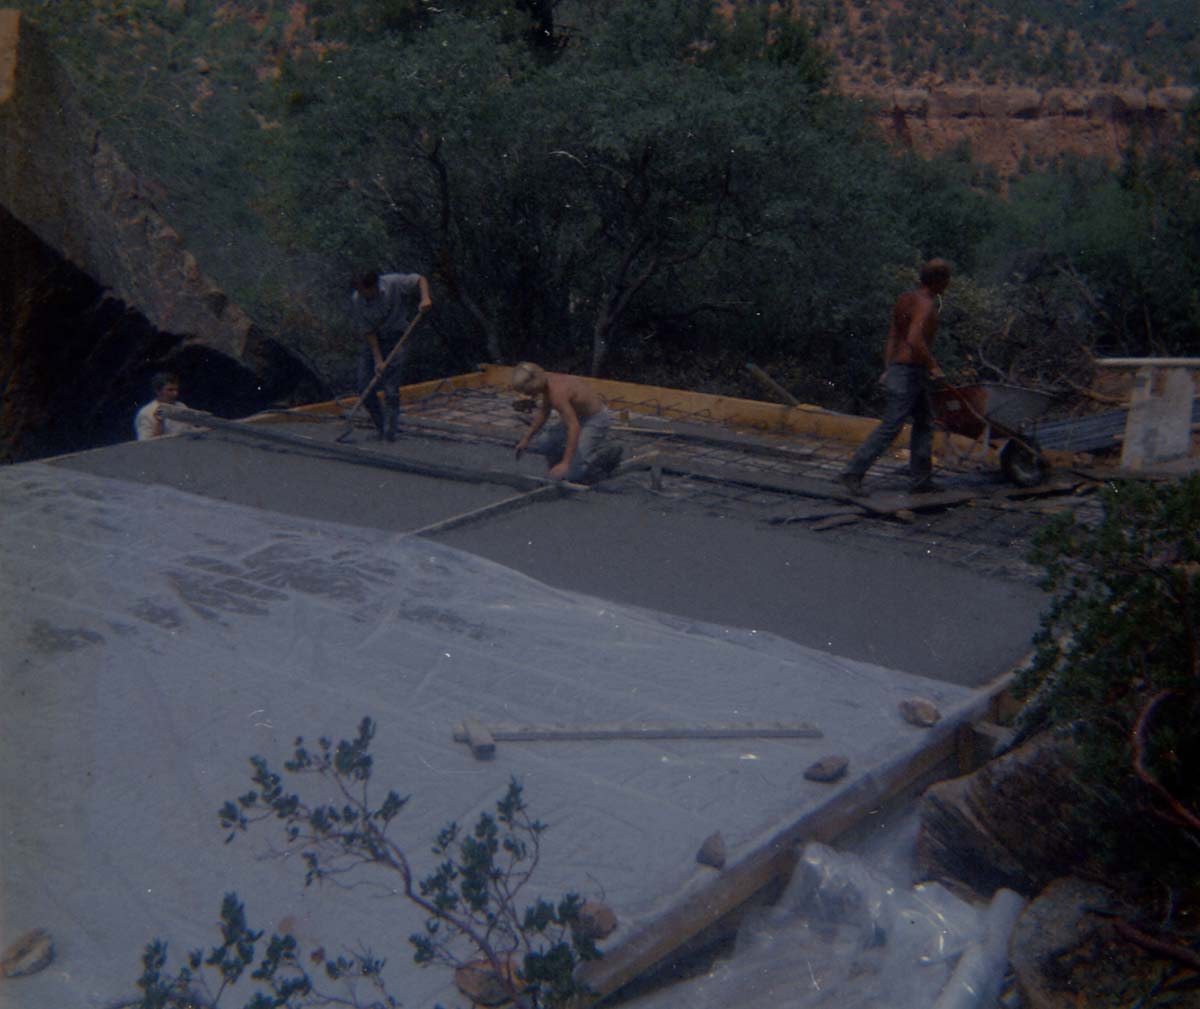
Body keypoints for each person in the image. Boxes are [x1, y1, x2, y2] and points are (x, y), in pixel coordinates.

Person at [840, 259, 952, 496]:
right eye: (946, 279)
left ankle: (921, 480)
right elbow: (914, 339)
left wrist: (888, 367)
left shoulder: (905, 299)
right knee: (892, 425)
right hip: (911, 371)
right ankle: (853, 472)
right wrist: (934, 367)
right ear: (938, 280)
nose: (948, 284)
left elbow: (893, 335)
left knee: (924, 423)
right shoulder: (926, 304)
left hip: (903, 370)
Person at [351, 269, 433, 441]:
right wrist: (378, 359)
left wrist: (425, 298)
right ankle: (380, 426)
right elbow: (368, 331)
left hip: (396, 337)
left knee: (390, 388)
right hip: (374, 341)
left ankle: (390, 432)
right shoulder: (358, 299)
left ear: (373, 286)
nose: (360, 293)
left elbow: (419, 279)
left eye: (362, 290)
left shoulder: (393, 283)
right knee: (364, 385)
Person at [511, 362, 621, 483]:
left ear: (533, 383)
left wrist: (566, 463)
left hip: (595, 419)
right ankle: (559, 469)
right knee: (544, 442)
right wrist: (526, 439)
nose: (528, 395)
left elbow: (573, 427)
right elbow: (544, 413)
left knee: (573, 475)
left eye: (527, 391)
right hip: (579, 416)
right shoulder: (547, 382)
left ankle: (605, 453)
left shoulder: (557, 393)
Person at [134, 372, 196, 440]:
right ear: (158, 391)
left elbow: (192, 430)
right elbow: (145, 445)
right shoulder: (145, 413)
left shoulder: (181, 406)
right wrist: (159, 423)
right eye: (170, 390)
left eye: (176, 390)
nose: (175, 393)